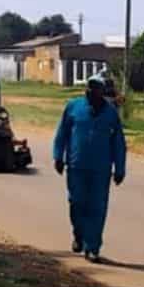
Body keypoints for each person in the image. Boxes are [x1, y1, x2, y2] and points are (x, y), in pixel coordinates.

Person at [52, 76, 127, 263]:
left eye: (96, 88)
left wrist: (120, 168)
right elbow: (62, 133)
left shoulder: (111, 113)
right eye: (89, 87)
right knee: (76, 203)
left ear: (102, 91)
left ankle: (92, 247)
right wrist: (58, 156)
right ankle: (79, 234)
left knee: (97, 207)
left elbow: (118, 142)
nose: (91, 91)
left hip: (101, 170)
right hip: (76, 166)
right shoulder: (74, 107)